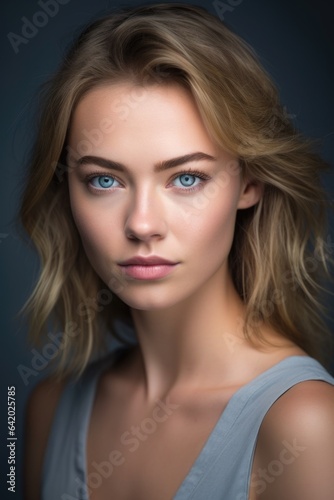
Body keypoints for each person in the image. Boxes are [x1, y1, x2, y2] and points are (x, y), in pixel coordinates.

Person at [20, 3, 334, 499]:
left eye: (186, 178)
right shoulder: (44, 409)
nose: (142, 224)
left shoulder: (305, 425)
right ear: (66, 190)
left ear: (249, 182)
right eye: (105, 180)